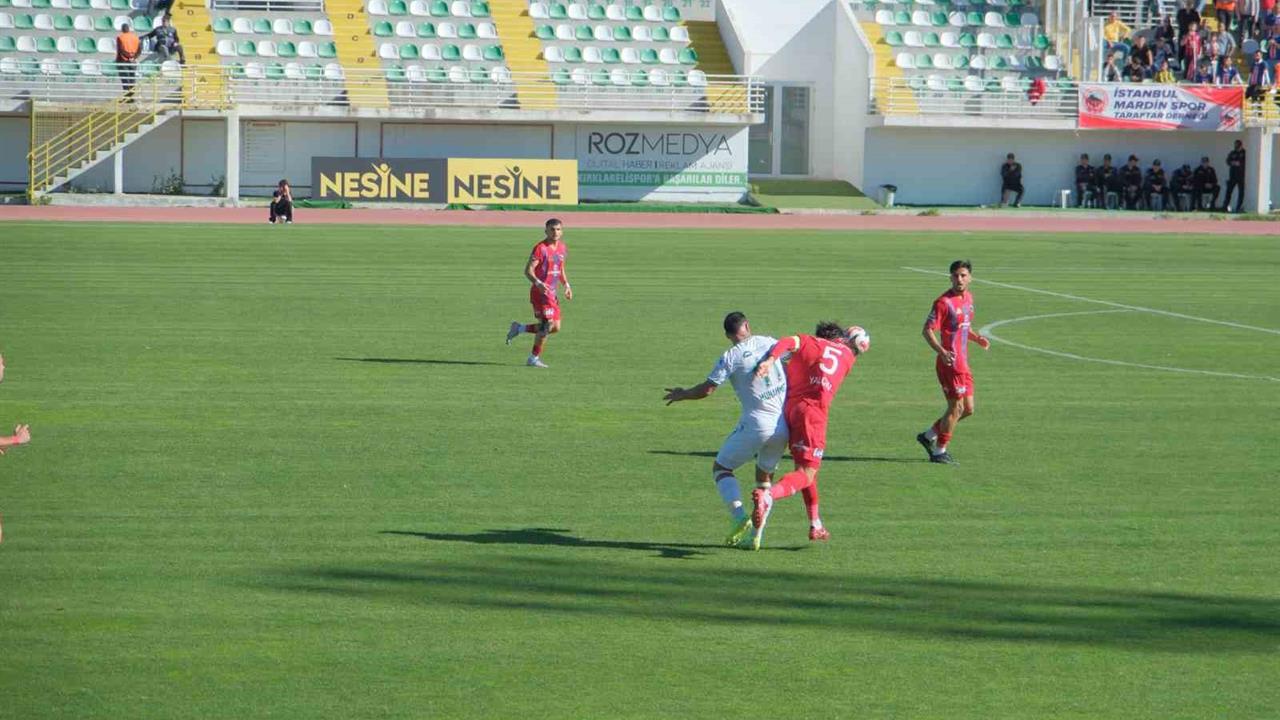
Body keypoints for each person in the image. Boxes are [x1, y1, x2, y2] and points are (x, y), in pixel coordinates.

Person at [662, 312, 787, 547]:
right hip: (783, 427)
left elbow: (708, 389)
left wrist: (683, 394)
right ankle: (755, 537)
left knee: (721, 468)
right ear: (747, 325)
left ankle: (740, 517)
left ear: (728, 335)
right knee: (764, 482)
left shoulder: (730, 356)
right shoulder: (770, 342)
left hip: (756, 424)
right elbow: (790, 359)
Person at [749, 322, 865, 549]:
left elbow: (786, 342)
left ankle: (815, 524)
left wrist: (772, 359)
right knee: (806, 473)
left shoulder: (808, 342)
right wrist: (853, 338)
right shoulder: (847, 357)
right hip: (814, 415)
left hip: (790, 411)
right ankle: (768, 496)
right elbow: (860, 343)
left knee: (807, 470)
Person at [916, 261, 989, 465]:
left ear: (970, 278)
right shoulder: (943, 302)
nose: (960, 279)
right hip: (950, 364)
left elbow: (964, 327)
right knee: (956, 408)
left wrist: (977, 338)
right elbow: (927, 330)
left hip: (963, 363)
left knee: (968, 409)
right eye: (956, 276)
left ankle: (928, 435)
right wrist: (941, 351)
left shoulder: (968, 299)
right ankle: (939, 451)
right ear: (950, 277)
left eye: (963, 275)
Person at [505, 218, 572, 368]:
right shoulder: (540, 248)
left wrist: (566, 285)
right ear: (546, 231)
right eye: (552, 229)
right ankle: (533, 358)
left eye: (558, 229)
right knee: (547, 325)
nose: (555, 232)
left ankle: (519, 328)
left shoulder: (562, 248)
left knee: (555, 327)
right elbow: (528, 271)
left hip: (552, 293)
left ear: (562, 231)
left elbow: (560, 269)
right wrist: (538, 283)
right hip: (540, 293)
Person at [115, 22, 141, 96]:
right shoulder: (135, 37)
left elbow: (120, 50)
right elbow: (139, 50)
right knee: (132, 78)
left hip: (123, 61)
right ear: (129, 29)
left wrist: (127, 58)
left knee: (125, 79)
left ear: (122, 29)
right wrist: (133, 57)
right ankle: (131, 96)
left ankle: (127, 97)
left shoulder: (120, 37)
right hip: (133, 61)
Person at [1224, 139, 1247, 212]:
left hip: (1241, 175)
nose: (1236, 146)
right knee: (1229, 191)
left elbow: (1245, 162)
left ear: (1241, 145)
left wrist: (1239, 164)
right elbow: (1227, 161)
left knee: (1241, 192)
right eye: (1235, 145)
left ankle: (1238, 207)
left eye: (1237, 145)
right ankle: (1225, 206)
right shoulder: (1232, 152)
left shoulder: (1244, 153)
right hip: (1232, 175)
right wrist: (1232, 163)